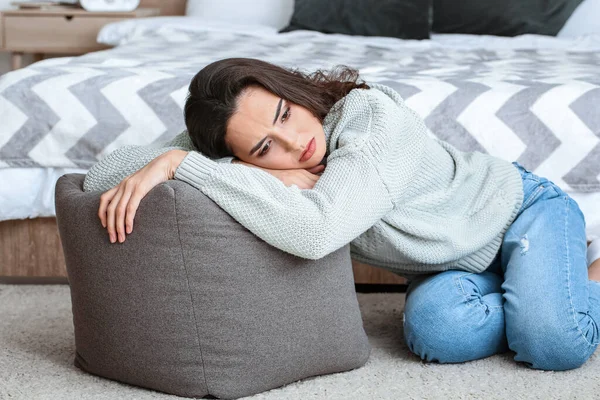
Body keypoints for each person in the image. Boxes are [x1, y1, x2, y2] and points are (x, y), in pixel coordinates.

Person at [83, 57, 600, 371]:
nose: (296, 143)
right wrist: (188, 156)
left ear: (290, 89)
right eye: (266, 148)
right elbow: (102, 174)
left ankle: (586, 273)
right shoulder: (237, 156)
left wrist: (183, 165)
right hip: (446, 264)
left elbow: (317, 233)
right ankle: (542, 287)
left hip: (520, 212)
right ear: (239, 156)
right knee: (440, 335)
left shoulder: (373, 118)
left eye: (285, 113)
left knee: (556, 344)